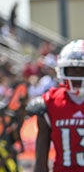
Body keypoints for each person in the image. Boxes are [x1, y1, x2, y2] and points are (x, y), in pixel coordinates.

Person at [26, 39, 84, 172]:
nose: (77, 75)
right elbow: (41, 161)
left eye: (81, 70)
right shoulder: (49, 103)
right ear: (62, 71)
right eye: (72, 69)